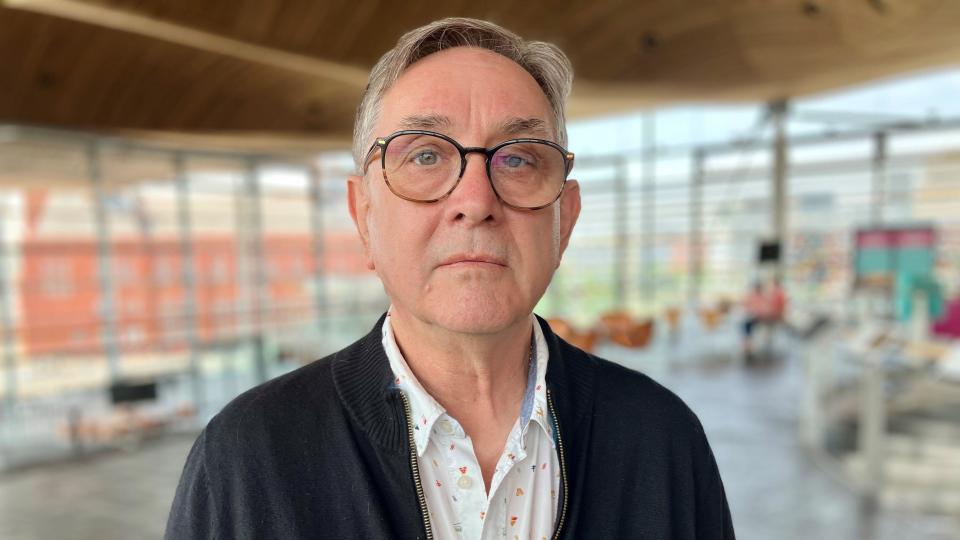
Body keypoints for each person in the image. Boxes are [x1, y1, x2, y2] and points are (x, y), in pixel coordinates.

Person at [166, 18, 734, 539]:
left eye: (517, 159)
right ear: (364, 214)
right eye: (425, 156)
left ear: (566, 220)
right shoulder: (249, 459)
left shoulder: (662, 440)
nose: (475, 200)